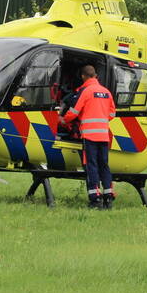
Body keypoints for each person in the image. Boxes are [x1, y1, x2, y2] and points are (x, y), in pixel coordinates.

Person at [62, 64, 116, 209]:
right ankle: (108, 197)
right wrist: (101, 118)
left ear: (83, 76)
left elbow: (74, 111)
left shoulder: (85, 92)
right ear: (96, 75)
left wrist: (63, 120)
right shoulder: (106, 92)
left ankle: (95, 199)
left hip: (90, 136)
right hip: (104, 135)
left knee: (91, 165)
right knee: (104, 165)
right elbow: (112, 114)